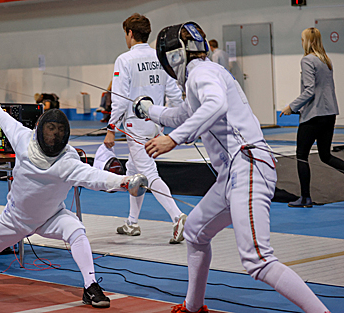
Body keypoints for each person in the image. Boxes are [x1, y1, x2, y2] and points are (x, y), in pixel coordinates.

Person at [136, 22, 330, 313]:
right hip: (232, 174)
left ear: (173, 56)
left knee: (258, 260)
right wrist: (148, 109)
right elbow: (185, 113)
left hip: (248, 166)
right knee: (195, 233)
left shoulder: (202, 74)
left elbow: (215, 106)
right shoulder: (202, 75)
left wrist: (173, 140)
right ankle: (193, 307)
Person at [0, 100, 148, 308]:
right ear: (39, 129)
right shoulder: (22, 139)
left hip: (51, 217)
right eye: (50, 129)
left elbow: (96, 177)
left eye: (59, 130)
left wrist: (124, 182)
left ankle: (90, 285)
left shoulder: (68, 162)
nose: (54, 135)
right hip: (14, 219)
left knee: (76, 230)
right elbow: (3, 118)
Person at [103, 13, 187, 244]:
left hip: (135, 127)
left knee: (148, 175)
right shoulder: (160, 57)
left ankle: (177, 216)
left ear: (130, 33)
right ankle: (132, 223)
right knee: (134, 172)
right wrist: (181, 122)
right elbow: (173, 93)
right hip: (155, 124)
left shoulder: (124, 59)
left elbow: (119, 99)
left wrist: (111, 128)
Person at [280, 27, 344, 208]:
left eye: (302, 39)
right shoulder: (326, 60)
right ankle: (305, 197)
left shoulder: (307, 60)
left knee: (301, 156)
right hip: (329, 114)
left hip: (314, 116)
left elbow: (309, 90)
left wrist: (291, 107)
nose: (301, 42)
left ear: (307, 41)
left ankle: (305, 198)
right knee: (325, 155)